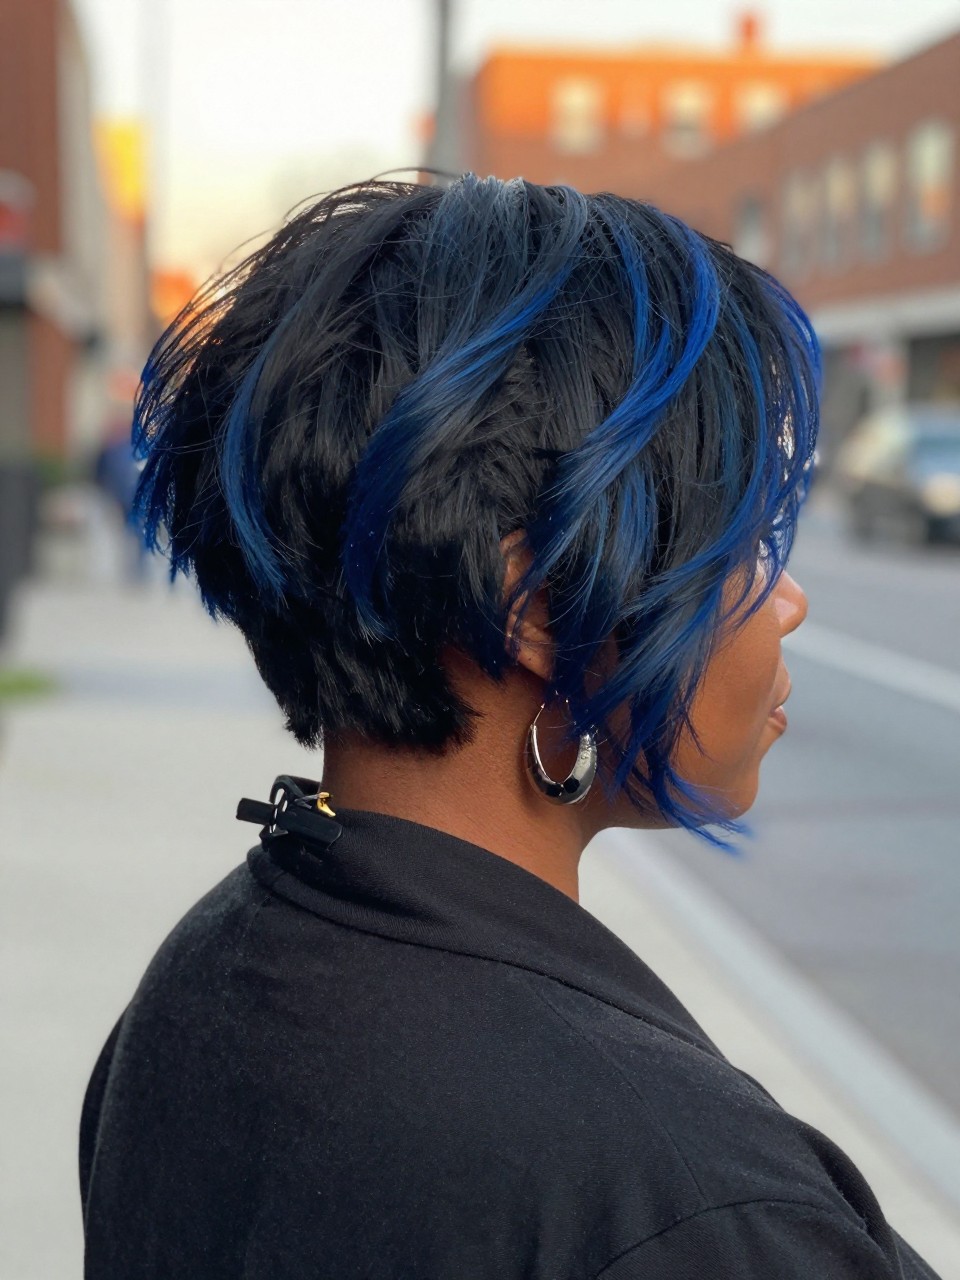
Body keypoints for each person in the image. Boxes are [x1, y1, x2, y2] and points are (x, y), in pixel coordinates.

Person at [78, 176, 939, 1278]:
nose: (785, 600)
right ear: (536, 607)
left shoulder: (202, 978)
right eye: (742, 542)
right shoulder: (688, 1201)